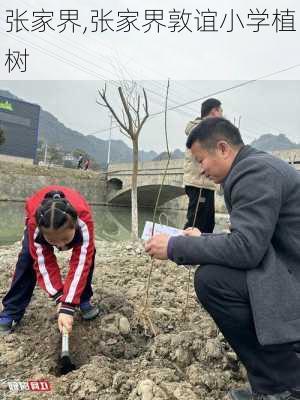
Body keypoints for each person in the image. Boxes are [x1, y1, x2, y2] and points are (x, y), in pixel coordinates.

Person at [145, 117, 300, 400]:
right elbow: (252, 240)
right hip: (287, 267)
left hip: (293, 276)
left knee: (213, 280)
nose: (201, 170)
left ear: (223, 148)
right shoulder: (256, 166)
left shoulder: (253, 173)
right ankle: (279, 374)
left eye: (201, 160)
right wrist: (200, 239)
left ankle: (285, 384)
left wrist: (175, 248)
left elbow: (246, 250)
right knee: (218, 274)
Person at [0, 186, 100, 335]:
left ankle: (83, 298)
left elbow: (80, 264)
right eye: (53, 241)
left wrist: (68, 304)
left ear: (75, 226)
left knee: (88, 257)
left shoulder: (83, 222)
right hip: (39, 222)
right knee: (27, 259)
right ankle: (12, 311)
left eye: (65, 239)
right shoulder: (35, 226)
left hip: (70, 224)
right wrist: (60, 298)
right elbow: (43, 264)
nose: (60, 245)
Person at [183, 98, 222, 233]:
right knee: (195, 224)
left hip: (206, 184)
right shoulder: (201, 129)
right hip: (199, 183)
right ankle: (183, 251)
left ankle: (199, 252)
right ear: (214, 111)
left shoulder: (208, 130)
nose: (222, 115)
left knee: (207, 225)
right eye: (220, 111)